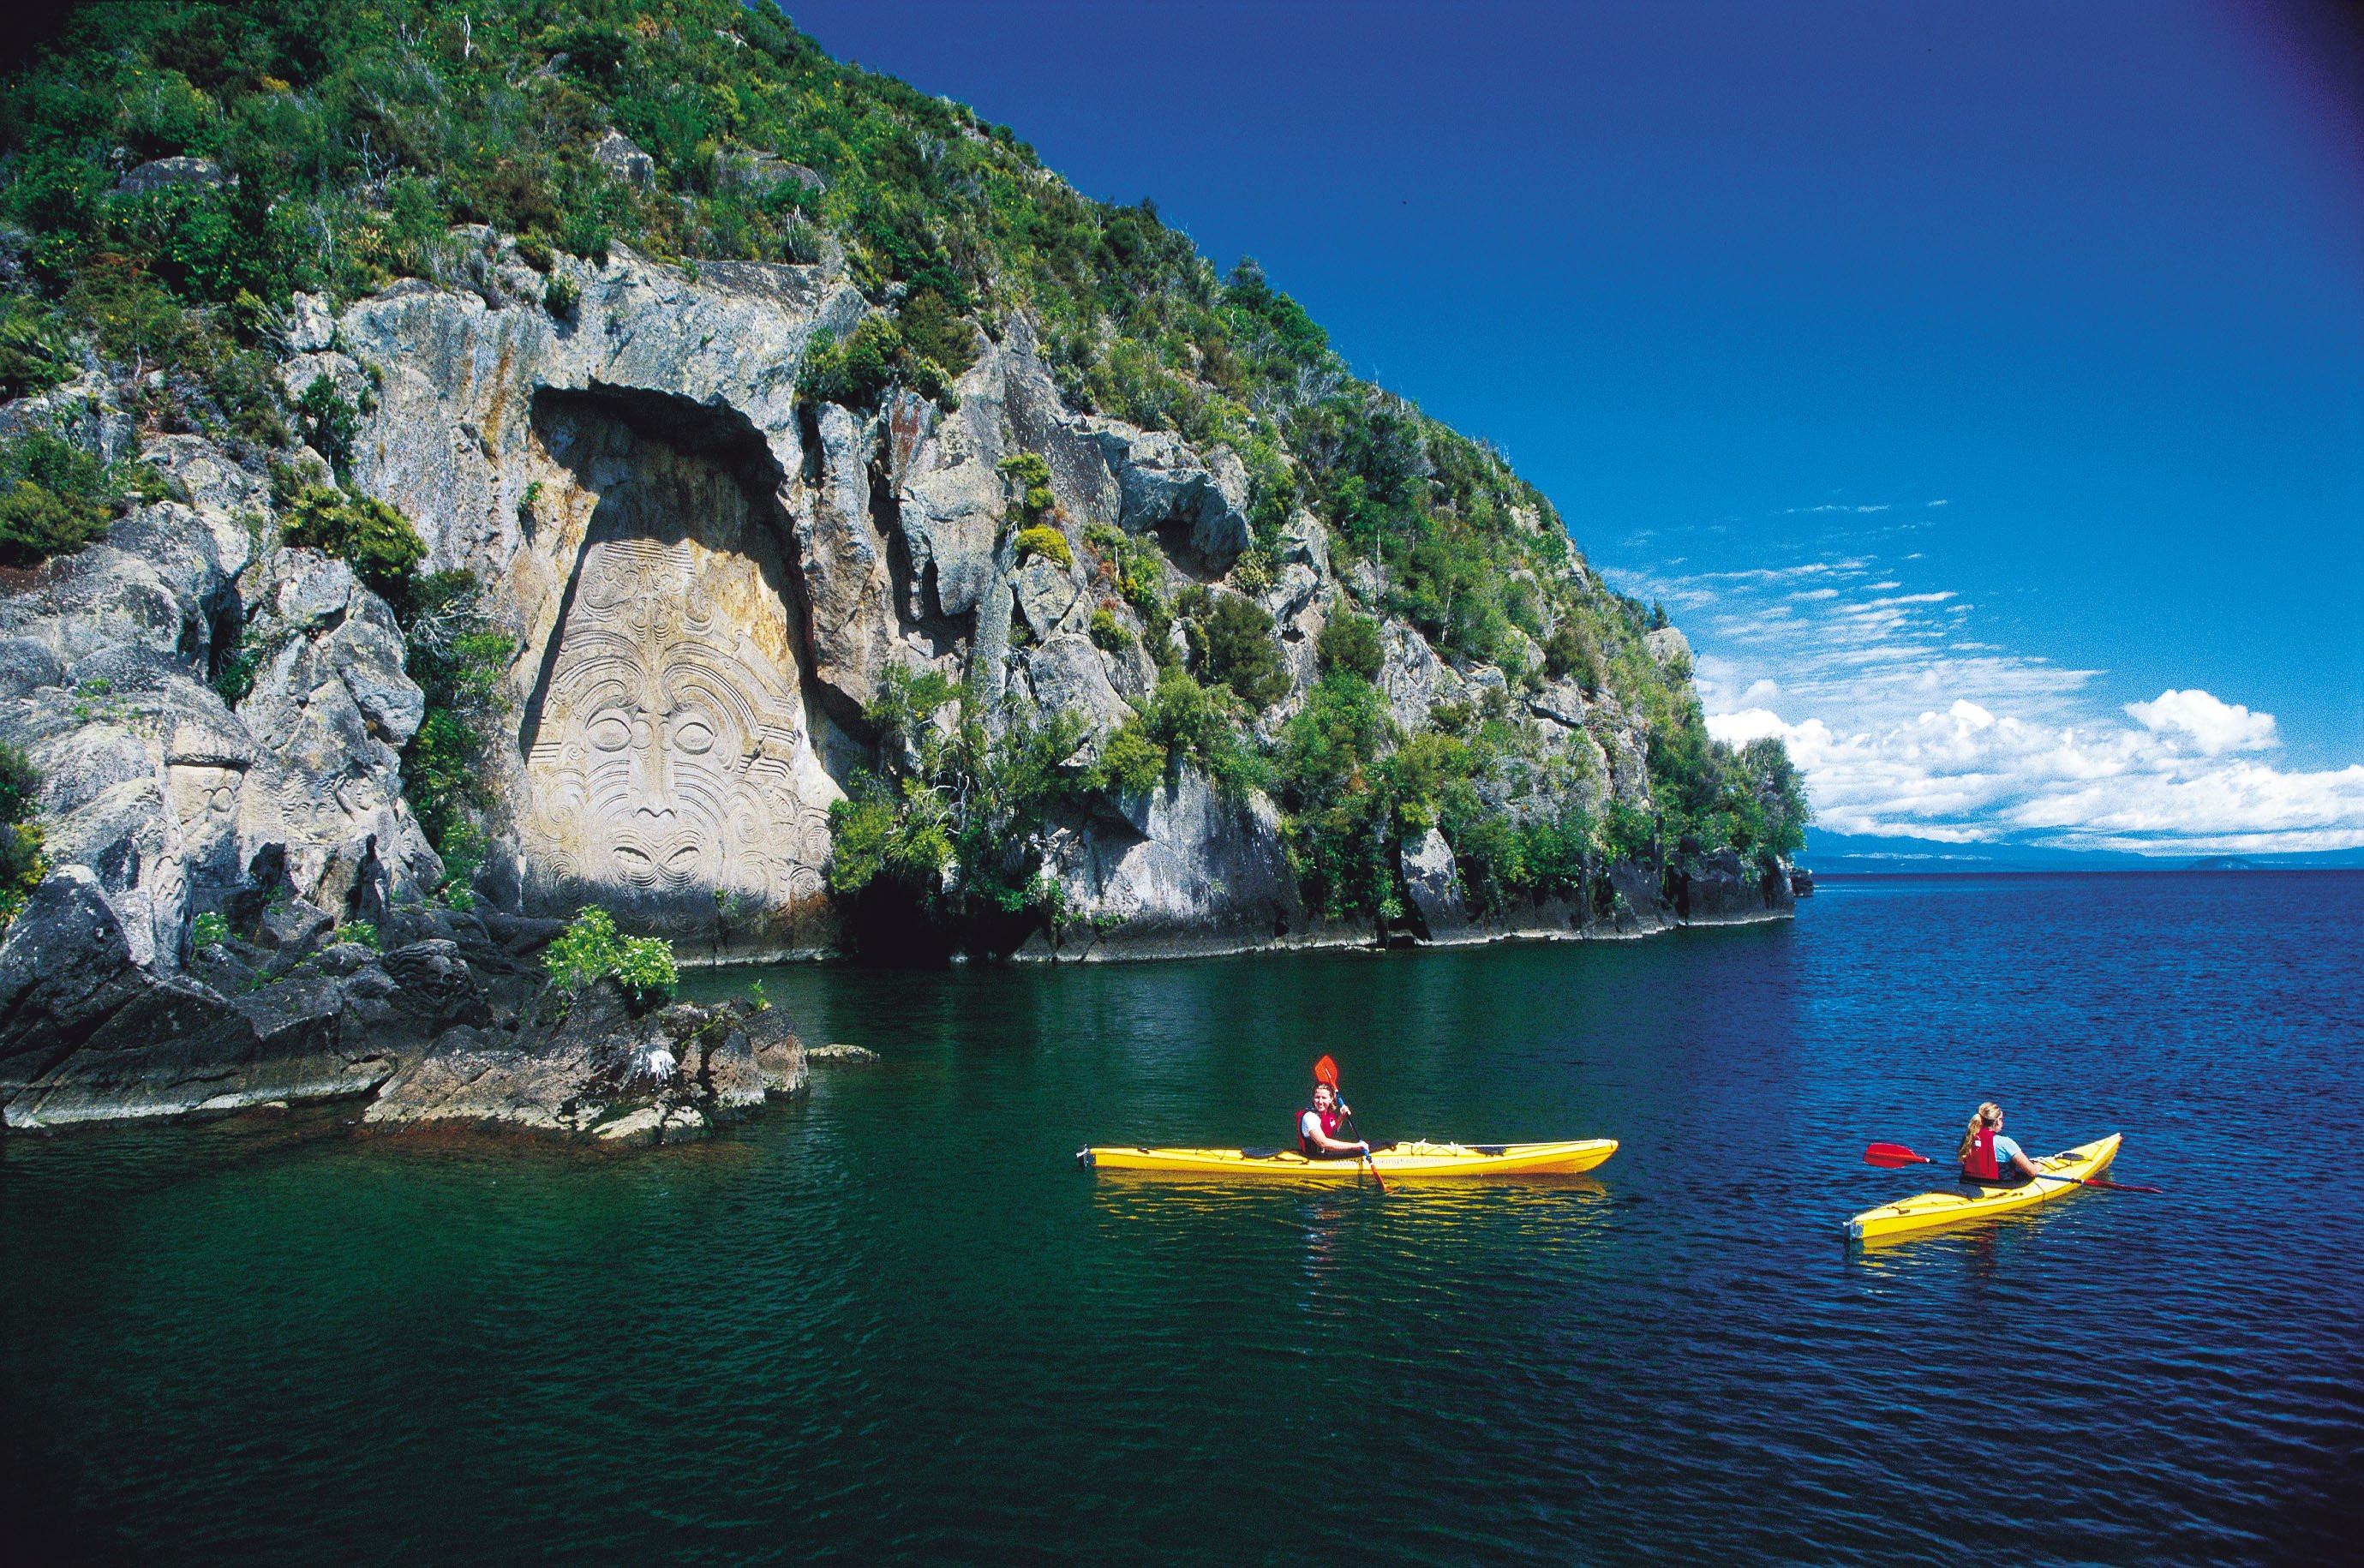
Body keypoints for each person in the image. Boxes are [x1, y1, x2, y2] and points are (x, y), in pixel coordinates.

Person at [1958, 1101, 2042, 1187]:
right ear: (1997, 1121)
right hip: (1998, 1186)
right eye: (2001, 1119)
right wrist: (2038, 1166)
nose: (2002, 1123)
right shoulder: (2005, 1142)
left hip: (1969, 1182)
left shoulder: (1968, 1138)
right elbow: (2032, 1172)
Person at [1298, 1080, 1373, 1162]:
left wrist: (1341, 1116)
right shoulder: (1310, 1117)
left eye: (1324, 1098)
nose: (1320, 1101)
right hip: (1315, 1159)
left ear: (1331, 1099)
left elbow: (1332, 1133)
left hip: (1325, 1155)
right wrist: (1356, 1146)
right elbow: (1323, 1143)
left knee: (1376, 1145)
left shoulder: (1327, 1115)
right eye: (1317, 1097)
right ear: (1313, 1099)